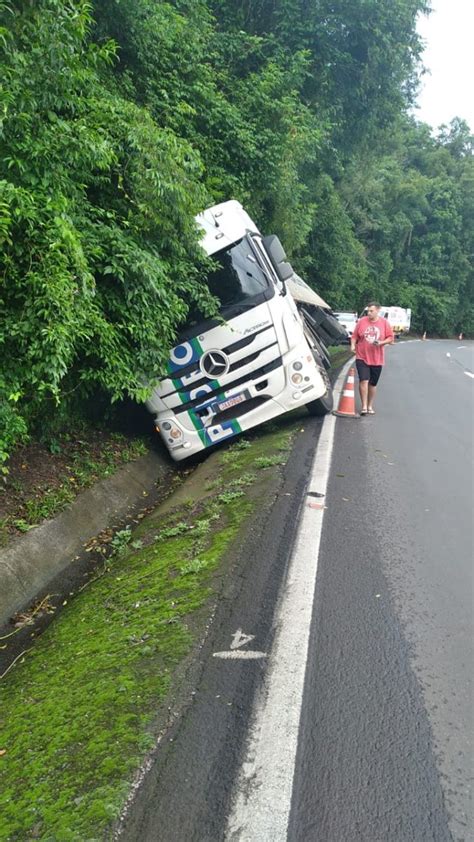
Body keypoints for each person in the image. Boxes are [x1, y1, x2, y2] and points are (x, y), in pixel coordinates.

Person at [351, 302, 394, 415]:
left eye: (371, 311)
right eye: (368, 311)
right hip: (362, 356)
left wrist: (381, 342)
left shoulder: (384, 323)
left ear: (378, 310)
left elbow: (390, 338)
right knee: (363, 380)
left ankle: (370, 405)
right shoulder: (362, 321)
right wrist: (352, 345)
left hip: (377, 358)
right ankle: (364, 406)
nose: (369, 313)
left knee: (372, 383)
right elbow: (354, 336)